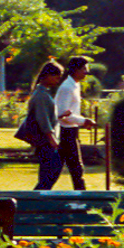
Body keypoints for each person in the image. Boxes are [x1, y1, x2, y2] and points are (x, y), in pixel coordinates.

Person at [27, 61, 65, 190]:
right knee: (53, 170)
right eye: (56, 76)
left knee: (47, 173)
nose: (58, 80)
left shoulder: (43, 93)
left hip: (45, 139)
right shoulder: (41, 95)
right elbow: (42, 118)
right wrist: (51, 138)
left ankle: (40, 199)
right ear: (47, 75)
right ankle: (36, 198)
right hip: (45, 140)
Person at [54, 56, 89, 190]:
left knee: (57, 171)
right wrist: (83, 121)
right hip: (65, 132)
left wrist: (81, 121)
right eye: (84, 69)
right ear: (75, 70)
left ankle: (37, 197)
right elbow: (63, 114)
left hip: (71, 131)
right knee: (76, 170)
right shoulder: (67, 87)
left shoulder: (74, 85)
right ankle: (84, 201)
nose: (86, 72)